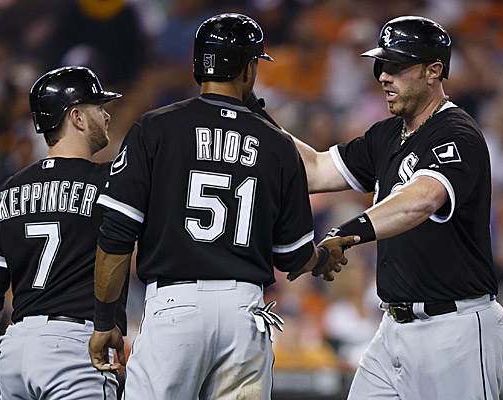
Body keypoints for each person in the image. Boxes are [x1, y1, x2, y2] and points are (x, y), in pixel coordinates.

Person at [87, 13, 357, 400]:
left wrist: (105, 319)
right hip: (243, 312)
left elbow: (115, 235)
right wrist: (322, 256)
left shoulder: (155, 127)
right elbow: (294, 256)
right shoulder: (277, 142)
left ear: (199, 65)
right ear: (249, 69)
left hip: (174, 307)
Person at [290, 16, 503, 399]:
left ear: (434, 71)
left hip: (454, 330)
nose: (384, 76)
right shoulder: (388, 134)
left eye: (397, 65)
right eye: (382, 65)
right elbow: (312, 170)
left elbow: (421, 199)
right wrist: (254, 123)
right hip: (391, 329)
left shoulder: (457, 133)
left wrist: (347, 231)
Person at [0, 66, 126, 400]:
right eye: (98, 107)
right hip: (76, 348)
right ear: (77, 117)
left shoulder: (7, 191)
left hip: (16, 351)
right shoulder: (111, 183)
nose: (106, 115)